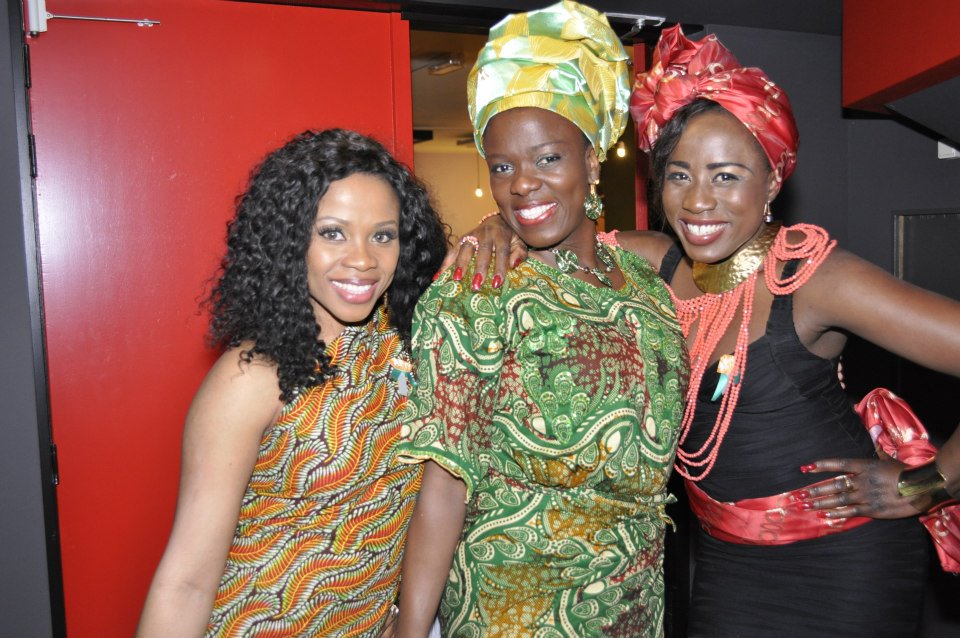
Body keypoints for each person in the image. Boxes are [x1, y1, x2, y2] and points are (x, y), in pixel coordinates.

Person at [460, 25, 960, 637]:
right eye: (679, 175)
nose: (698, 201)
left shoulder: (812, 278)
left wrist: (927, 483)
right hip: (724, 561)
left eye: (727, 176)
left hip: (842, 558)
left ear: (771, 181)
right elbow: (556, 228)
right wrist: (499, 224)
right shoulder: (652, 266)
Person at [393, 3, 689, 637]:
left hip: (636, 606)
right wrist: (412, 629)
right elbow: (443, 483)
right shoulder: (476, 290)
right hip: (513, 611)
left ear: (592, 160)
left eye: (548, 158)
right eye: (503, 166)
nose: (522, 184)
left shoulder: (648, 287)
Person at [136, 129, 448, 637]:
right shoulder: (252, 377)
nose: (363, 259)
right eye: (333, 233)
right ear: (290, 239)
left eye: (382, 235)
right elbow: (186, 581)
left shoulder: (408, 345)